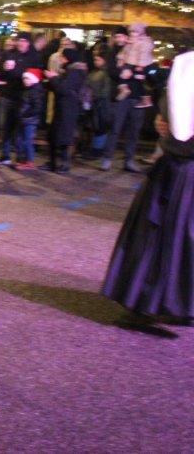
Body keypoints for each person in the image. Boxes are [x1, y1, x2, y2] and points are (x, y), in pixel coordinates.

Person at [101, 51, 194, 325]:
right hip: (181, 169)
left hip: (180, 167)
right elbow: (178, 127)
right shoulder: (187, 67)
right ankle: (148, 302)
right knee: (167, 237)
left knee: (177, 239)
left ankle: (176, 303)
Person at [101, 27, 144, 173]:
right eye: (117, 37)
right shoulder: (112, 53)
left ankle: (129, 160)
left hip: (136, 95)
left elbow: (144, 69)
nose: (119, 39)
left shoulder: (137, 51)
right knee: (115, 128)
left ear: (127, 37)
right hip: (120, 96)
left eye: (122, 36)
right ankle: (107, 158)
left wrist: (134, 73)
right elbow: (112, 71)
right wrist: (127, 73)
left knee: (134, 130)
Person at [0, 31, 43, 164]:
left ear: (28, 43)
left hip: (23, 99)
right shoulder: (9, 54)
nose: (20, 43)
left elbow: (33, 78)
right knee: (5, 127)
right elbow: (0, 74)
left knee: (20, 129)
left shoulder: (34, 57)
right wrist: (4, 68)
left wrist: (15, 70)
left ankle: (20, 156)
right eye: (19, 40)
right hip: (8, 95)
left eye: (23, 41)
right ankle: (5, 155)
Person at [42, 48, 86, 173]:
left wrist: (53, 78)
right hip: (61, 107)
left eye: (62, 57)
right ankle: (52, 163)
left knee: (64, 137)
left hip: (68, 109)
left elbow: (64, 89)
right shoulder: (67, 70)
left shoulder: (75, 72)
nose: (60, 59)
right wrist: (50, 80)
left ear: (67, 58)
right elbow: (58, 87)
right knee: (53, 135)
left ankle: (64, 165)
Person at [14, 69, 44, 171]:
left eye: (27, 79)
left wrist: (26, 114)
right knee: (19, 140)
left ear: (33, 79)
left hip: (30, 120)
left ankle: (29, 161)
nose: (25, 81)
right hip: (23, 119)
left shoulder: (35, 91)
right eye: (24, 79)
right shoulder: (26, 90)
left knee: (27, 141)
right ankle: (21, 159)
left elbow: (37, 107)